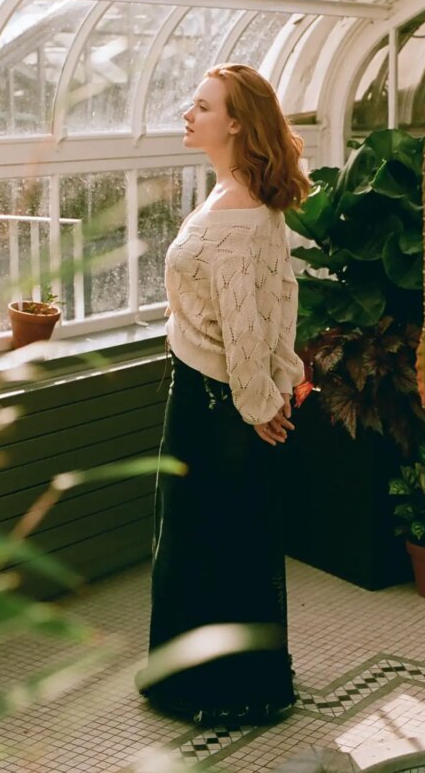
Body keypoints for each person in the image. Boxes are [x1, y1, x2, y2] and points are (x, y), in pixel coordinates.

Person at [136, 63, 311, 727]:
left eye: (202, 106)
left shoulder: (234, 216)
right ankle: (235, 680)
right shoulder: (238, 200)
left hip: (215, 404)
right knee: (229, 539)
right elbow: (280, 305)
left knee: (204, 544)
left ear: (235, 123)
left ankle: (212, 689)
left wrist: (259, 404)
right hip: (220, 396)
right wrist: (272, 388)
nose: (189, 113)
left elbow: (246, 325)